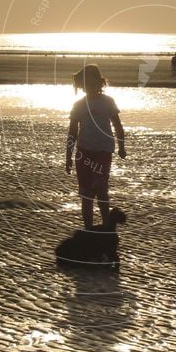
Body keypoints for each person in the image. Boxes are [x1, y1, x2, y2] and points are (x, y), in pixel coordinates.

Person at [65, 64, 126, 229]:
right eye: (86, 84)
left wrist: (121, 146)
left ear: (99, 83)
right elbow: (72, 132)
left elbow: (118, 126)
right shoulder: (78, 105)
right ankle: (88, 230)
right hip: (83, 152)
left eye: (92, 83)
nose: (88, 87)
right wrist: (68, 156)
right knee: (86, 195)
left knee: (101, 188)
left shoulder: (108, 102)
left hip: (103, 151)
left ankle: (107, 226)